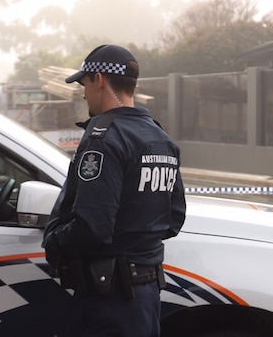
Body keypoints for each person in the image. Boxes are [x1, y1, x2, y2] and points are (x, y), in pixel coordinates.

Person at [43, 44, 186, 337]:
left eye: (84, 84)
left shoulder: (104, 137)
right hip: (146, 295)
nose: (83, 93)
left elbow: (92, 227)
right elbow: (174, 219)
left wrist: (54, 239)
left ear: (99, 79)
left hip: (108, 299)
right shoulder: (162, 139)